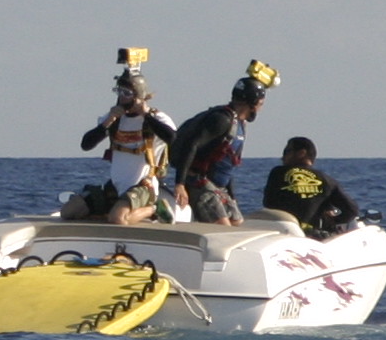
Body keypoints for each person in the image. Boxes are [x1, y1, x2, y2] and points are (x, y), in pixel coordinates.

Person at [165, 65, 271, 225]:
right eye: (261, 103)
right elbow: (191, 145)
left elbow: (226, 164)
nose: (261, 108)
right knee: (225, 230)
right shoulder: (222, 120)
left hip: (218, 188)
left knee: (238, 224)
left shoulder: (240, 124)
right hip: (199, 185)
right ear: (252, 103)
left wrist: (232, 197)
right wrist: (180, 184)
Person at [71, 64, 176, 221]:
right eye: (119, 92)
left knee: (119, 219)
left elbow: (173, 138)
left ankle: (154, 209)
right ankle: (116, 207)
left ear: (139, 96)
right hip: (116, 185)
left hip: (143, 186)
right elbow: (86, 145)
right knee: (70, 211)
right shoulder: (113, 119)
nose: (122, 97)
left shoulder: (157, 118)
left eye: (126, 93)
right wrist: (108, 122)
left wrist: (146, 115)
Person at [262, 138, 362, 239]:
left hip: (280, 233)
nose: (282, 157)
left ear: (301, 153)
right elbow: (351, 210)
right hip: (309, 236)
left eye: (287, 152)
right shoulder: (326, 180)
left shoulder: (278, 172)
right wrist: (332, 220)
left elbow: (268, 202)